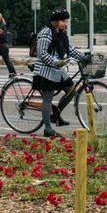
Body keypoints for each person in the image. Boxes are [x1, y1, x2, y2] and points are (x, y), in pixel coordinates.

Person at [33, 9, 89, 138]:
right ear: (56, 22)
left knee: (72, 91)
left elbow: (69, 49)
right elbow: (42, 53)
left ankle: (55, 115)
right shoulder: (46, 33)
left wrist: (83, 57)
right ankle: (47, 128)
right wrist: (56, 62)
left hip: (58, 70)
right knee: (48, 98)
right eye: (63, 21)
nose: (65, 23)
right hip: (45, 71)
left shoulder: (61, 33)